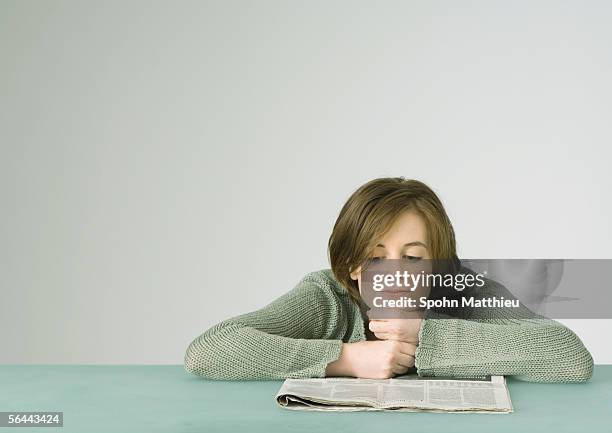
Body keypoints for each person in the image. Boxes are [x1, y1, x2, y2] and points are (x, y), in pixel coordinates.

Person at [184, 177, 593, 382]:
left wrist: (425, 338)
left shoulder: (465, 291)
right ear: (351, 266)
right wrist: (345, 358)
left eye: (413, 256)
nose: (394, 271)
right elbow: (209, 349)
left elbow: (569, 357)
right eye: (376, 257)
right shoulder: (326, 296)